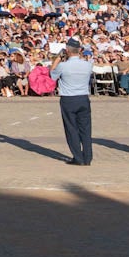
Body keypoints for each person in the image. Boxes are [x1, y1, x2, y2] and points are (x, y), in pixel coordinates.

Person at [53, 38, 94, 166]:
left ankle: (78, 157)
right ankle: (87, 157)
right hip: (83, 97)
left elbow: (52, 75)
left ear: (67, 51)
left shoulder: (63, 65)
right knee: (85, 129)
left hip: (69, 98)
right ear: (79, 50)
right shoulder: (88, 64)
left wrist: (58, 59)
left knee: (71, 128)